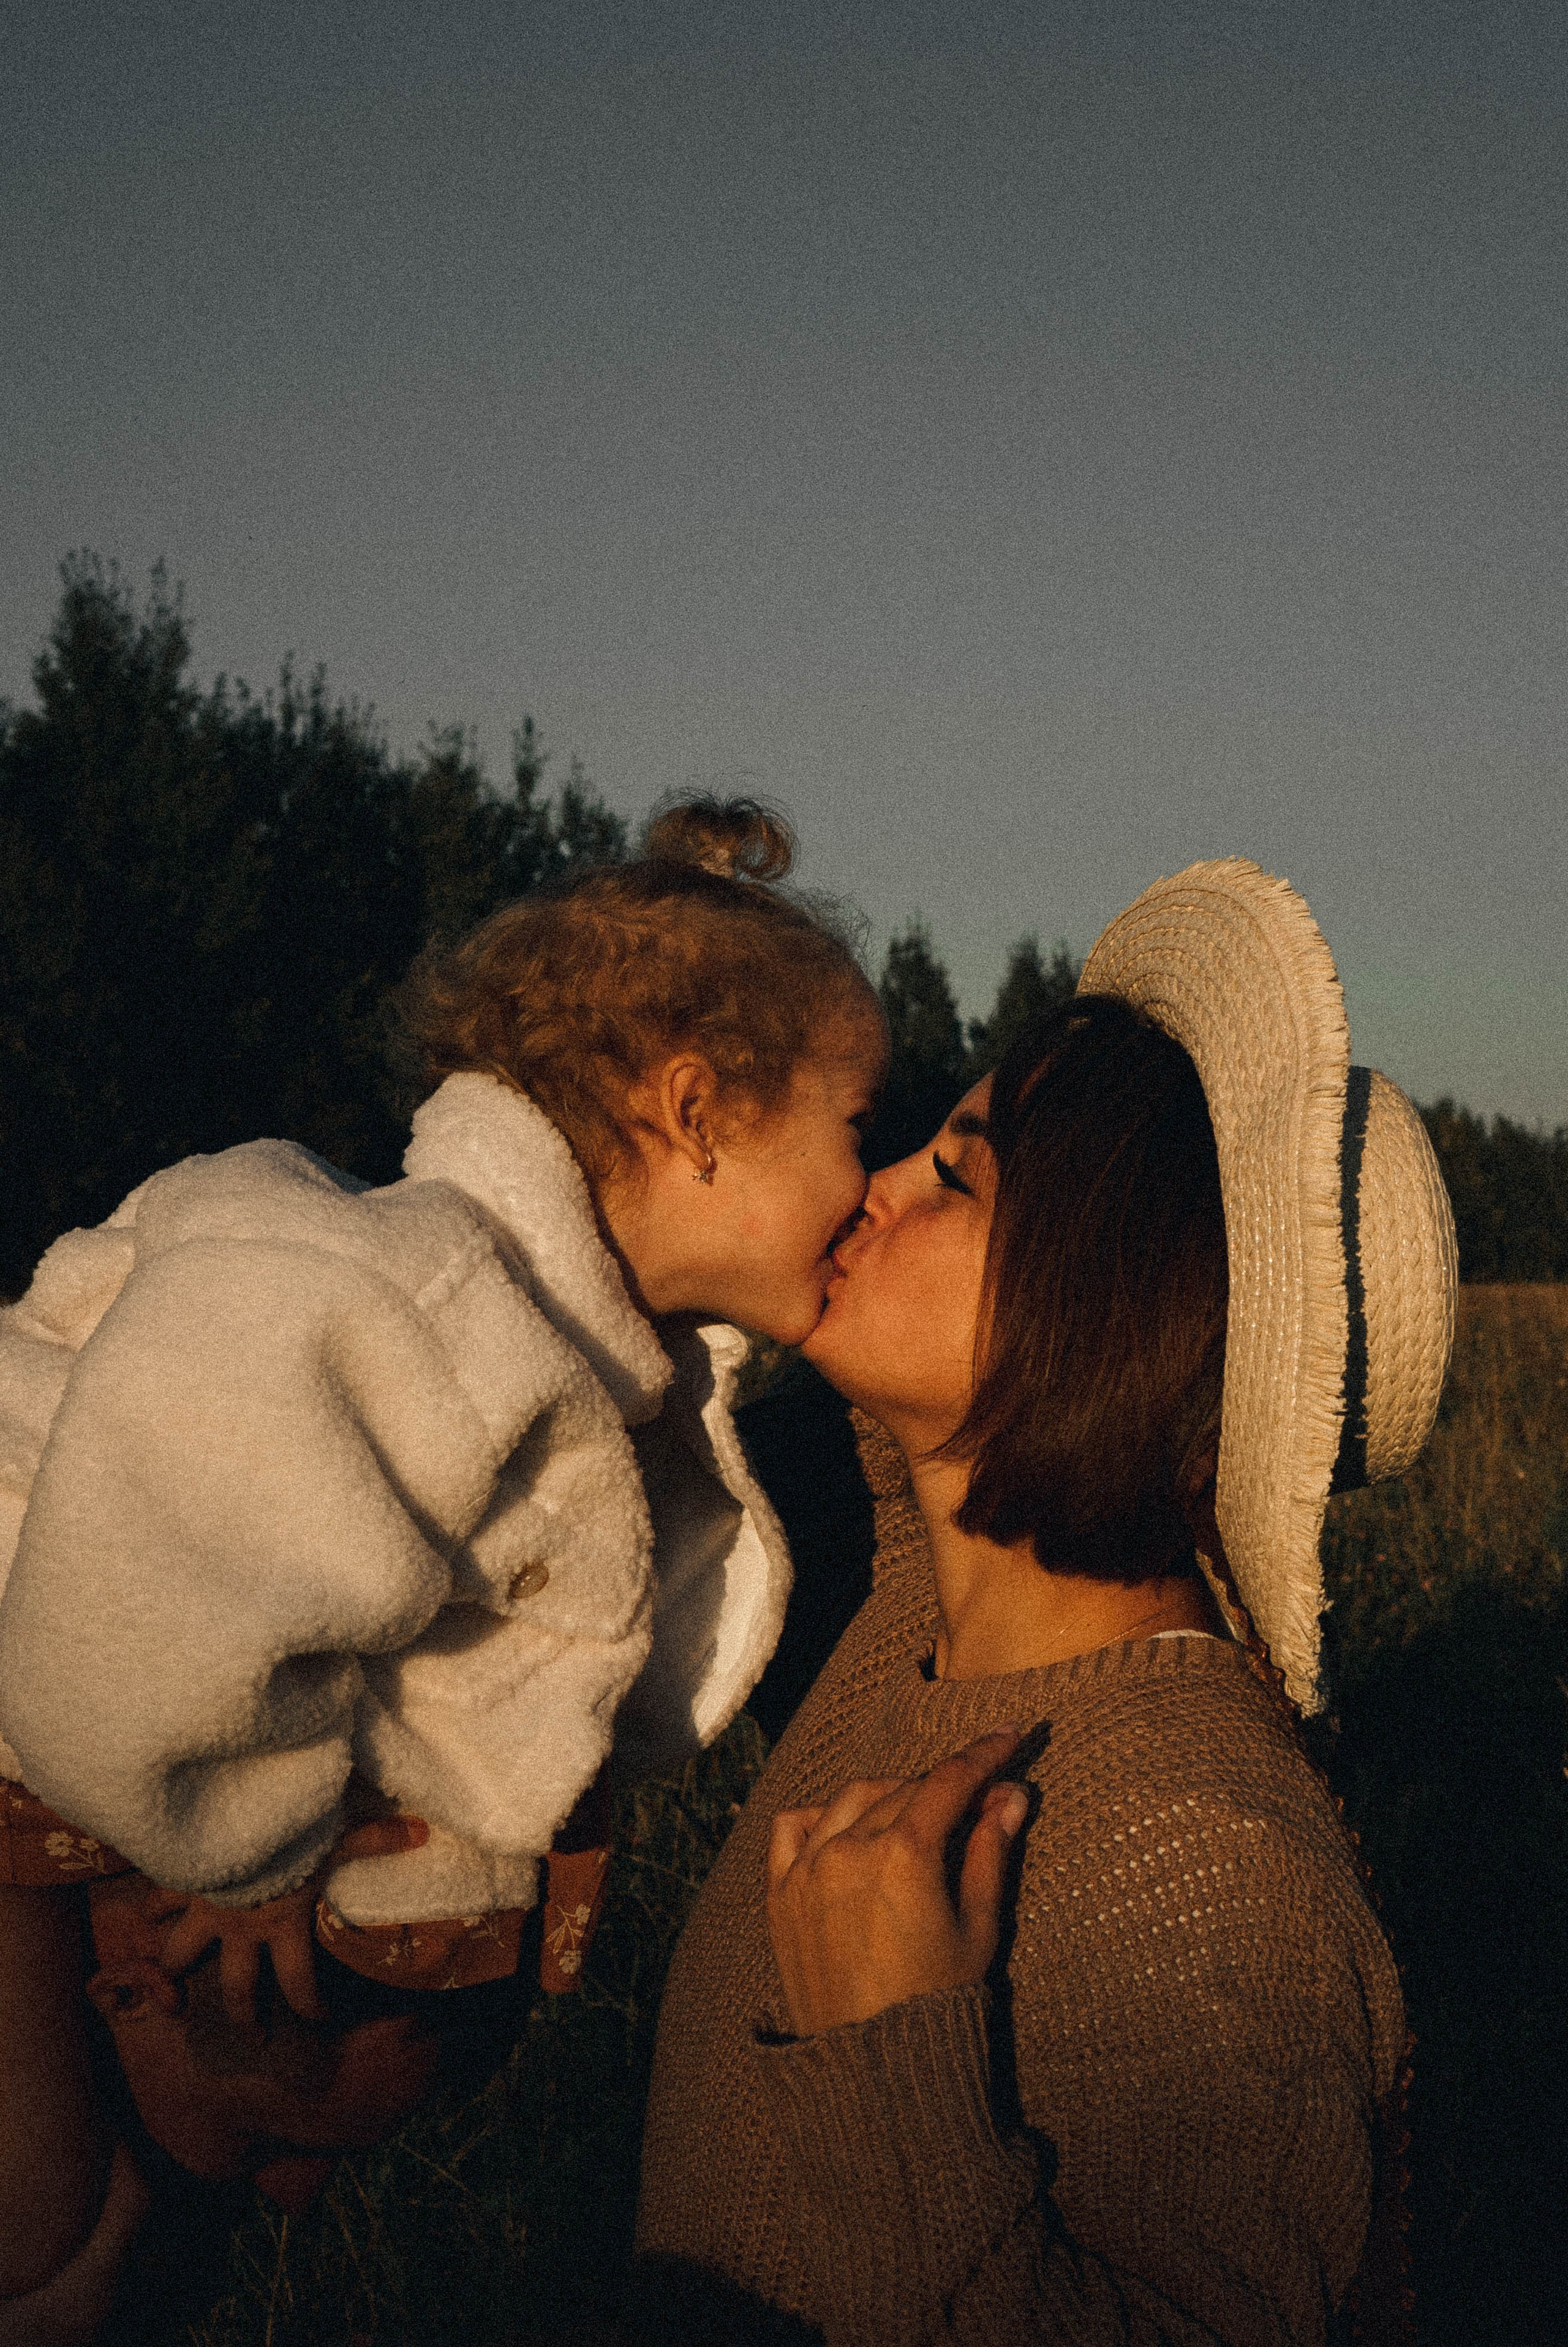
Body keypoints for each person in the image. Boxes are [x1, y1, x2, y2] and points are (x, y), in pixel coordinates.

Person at [0, 798, 885, 2331]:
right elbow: (151, 1583)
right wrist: (251, 1851)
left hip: (88, 1758)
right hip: (36, 1695)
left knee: (133, 2225)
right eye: (854, 1129)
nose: (872, 1183)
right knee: (41, 2222)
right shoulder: (414, 1295)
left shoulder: (583, 1353)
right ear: (696, 1114)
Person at [636, 857, 1458, 2345]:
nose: (871, 1185)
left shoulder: (1205, 1853)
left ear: (1106, 1308)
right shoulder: (900, 1618)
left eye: (954, 1178)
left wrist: (889, 2054)